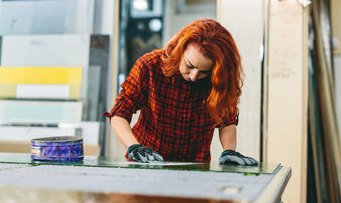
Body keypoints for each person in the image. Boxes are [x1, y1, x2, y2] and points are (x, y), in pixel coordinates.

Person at [104, 19, 258, 165]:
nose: (193, 76)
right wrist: (134, 147)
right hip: (146, 163)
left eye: (204, 72)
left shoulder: (219, 79)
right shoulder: (150, 66)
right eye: (189, 65)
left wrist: (229, 151)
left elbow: (227, 122)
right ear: (180, 49)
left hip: (194, 168)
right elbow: (119, 114)